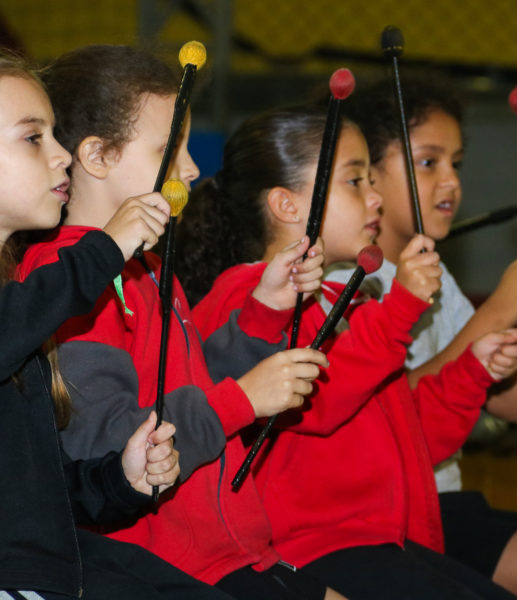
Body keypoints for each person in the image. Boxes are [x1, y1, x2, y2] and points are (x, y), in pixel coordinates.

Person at [17, 45, 341, 600]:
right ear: (97, 157)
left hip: (228, 550)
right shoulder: (66, 279)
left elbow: (189, 388)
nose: (191, 168)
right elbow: (111, 439)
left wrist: (264, 308)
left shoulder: (141, 264)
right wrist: (241, 399)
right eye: (171, 148)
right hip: (165, 564)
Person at [182, 104, 517, 599]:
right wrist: (400, 308)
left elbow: (411, 439)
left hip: (381, 542)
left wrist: (472, 372)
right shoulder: (249, 299)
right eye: (355, 181)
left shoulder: (334, 305)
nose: (375, 199)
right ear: (286, 205)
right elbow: (316, 403)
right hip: (315, 553)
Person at [326, 72, 517, 599]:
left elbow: (512, 406)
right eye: (429, 162)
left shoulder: (437, 275)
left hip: (440, 499)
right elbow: (391, 417)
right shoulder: (344, 279)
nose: (451, 182)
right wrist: (498, 309)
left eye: (457, 163)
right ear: (368, 176)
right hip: (386, 514)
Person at [0, 50, 233, 600]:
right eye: (33, 138)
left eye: (56, 135)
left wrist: (120, 480)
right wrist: (105, 249)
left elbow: (44, 497)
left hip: (54, 567)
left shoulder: (22, 301)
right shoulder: (39, 298)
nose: (62, 156)